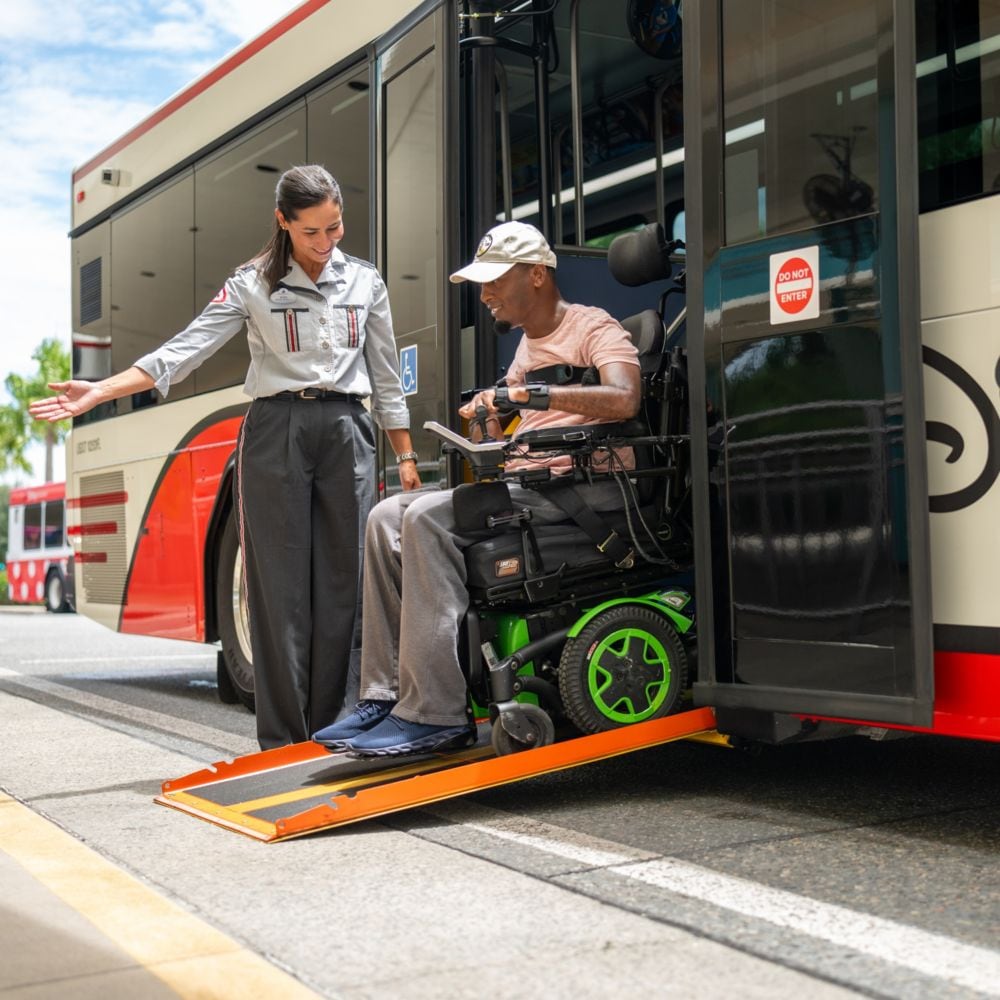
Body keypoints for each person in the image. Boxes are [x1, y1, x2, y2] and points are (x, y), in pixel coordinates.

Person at [30, 165, 421, 750]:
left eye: (334, 228)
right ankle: (285, 741)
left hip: (347, 429)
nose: (325, 243)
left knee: (348, 582)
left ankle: (339, 727)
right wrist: (100, 390)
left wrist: (407, 458)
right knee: (278, 588)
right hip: (275, 430)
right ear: (283, 223)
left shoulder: (365, 282)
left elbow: (387, 378)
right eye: (311, 231)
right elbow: (182, 352)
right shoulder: (250, 284)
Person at [312, 220, 640, 757]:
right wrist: (488, 418)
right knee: (385, 517)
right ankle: (385, 694)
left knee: (425, 518)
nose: (484, 294)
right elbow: (512, 433)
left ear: (537, 274)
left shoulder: (591, 326)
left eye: (494, 281)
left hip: (579, 489)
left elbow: (625, 398)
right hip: (528, 482)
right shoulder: (525, 349)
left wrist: (528, 397)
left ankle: (435, 714)